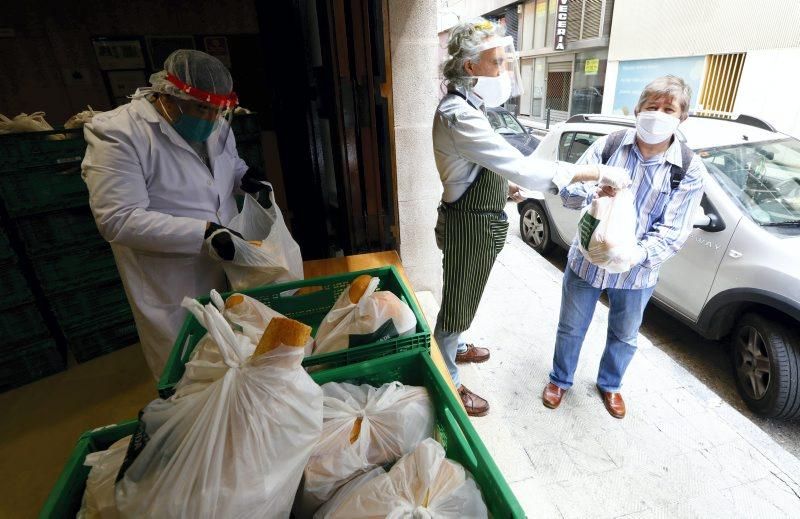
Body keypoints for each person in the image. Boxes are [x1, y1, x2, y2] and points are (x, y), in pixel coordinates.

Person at [433, 19, 631, 416]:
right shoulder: (459, 115)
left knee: (466, 294)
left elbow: (482, 166)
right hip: (468, 223)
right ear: (470, 67)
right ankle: (446, 375)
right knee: (457, 300)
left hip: (480, 217)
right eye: (496, 62)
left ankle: (453, 344)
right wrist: (594, 172)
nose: (503, 71)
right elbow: (522, 167)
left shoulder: (472, 106)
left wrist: (507, 189)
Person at [82, 50, 270, 379]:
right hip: (171, 278)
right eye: (202, 108)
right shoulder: (118, 134)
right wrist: (204, 232)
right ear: (168, 95)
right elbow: (118, 219)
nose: (211, 119)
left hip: (227, 260)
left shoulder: (217, 126)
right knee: (189, 371)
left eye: (218, 110)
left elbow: (225, 169)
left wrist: (246, 179)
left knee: (237, 360)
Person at [541, 75, 706, 418]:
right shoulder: (610, 146)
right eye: (652, 107)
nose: (658, 114)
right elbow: (569, 192)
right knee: (571, 326)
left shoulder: (688, 168)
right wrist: (595, 188)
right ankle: (560, 379)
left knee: (625, 334)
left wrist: (634, 255)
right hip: (587, 261)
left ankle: (610, 385)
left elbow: (674, 230)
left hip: (637, 274)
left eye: (668, 109)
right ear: (638, 110)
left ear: (682, 117)